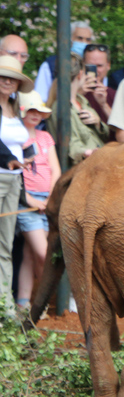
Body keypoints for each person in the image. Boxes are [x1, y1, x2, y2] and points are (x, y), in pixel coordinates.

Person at [15, 91, 60, 311]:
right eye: (30, 110)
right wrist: (31, 200)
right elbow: (16, 174)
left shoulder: (45, 137)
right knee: (43, 253)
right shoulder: (15, 136)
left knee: (30, 254)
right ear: (21, 111)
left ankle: (24, 301)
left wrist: (51, 199)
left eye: (38, 111)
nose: (35, 114)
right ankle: (42, 304)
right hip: (26, 202)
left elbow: (55, 169)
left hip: (47, 202)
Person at [0, 56, 33, 315]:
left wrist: (28, 155)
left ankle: (6, 310)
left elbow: (22, 141)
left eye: (12, 78)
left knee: (6, 245)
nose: (8, 81)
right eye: (3, 76)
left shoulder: (14, 108)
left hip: (14, 181)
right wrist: (9, 159)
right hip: (1, 177)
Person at [34, 21, 94, 103]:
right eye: (80, 38)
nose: (84, 43)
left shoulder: (92, 65)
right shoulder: (51, 64)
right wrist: (76, 93)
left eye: (88, 40)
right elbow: (40, 98)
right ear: (69, 39)